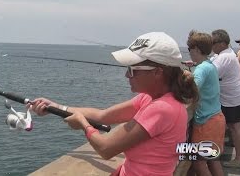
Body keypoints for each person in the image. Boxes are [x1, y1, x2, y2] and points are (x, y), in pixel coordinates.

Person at [29, 32, 199, 176]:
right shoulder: (150, 98)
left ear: (157, 72)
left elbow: (106, 149)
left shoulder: (162, 109)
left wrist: (83, 124)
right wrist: (57, 107)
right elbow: (103, 116)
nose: (126, 75)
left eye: (132, 70)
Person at [184, 30, 225, 176]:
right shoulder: (209, 65)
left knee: (199, 162)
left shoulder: (201, 69)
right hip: (216, 118)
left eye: (190, 49)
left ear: (196, 49)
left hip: (206, 123)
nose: (189, 52)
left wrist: (186, 77)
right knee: (213, 160)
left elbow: (190, 93)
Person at [210, 29, 240, 168]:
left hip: (231, 99)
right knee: (235, 127)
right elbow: (211, 64)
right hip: (235, 96)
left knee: (235, 127)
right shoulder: (226, 54)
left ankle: (239, 159)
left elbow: (210, 73)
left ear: (221, 43)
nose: (211, 45)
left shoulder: (224, 57)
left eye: (212, 43)